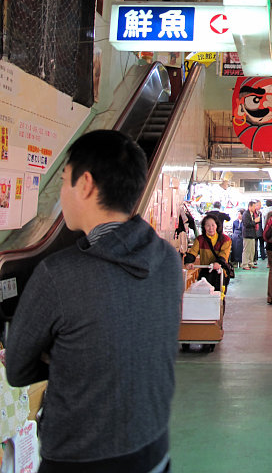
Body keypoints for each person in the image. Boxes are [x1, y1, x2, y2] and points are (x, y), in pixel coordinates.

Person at [5, 129, 182, 473]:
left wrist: (69, 354)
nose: (61, 192)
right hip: (154, 450)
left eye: (64, 179)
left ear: (85, 184)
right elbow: (142, 340)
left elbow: (17, 368)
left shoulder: (58, 275)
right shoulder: (168, 259)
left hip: (80, 458)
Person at [184, 214, 233, 292]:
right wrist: (189, 262)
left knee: (218, 297)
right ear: (204, 227)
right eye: (208, 226)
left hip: (219, 272)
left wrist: (217, 263)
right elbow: (193, 252)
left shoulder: (226, 240)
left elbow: (224, 254)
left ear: (217, 226)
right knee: (203, 295)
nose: (211, 228)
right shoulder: (200, 239)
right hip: (205, 272)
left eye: (213, 225)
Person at [241, 200, 259, 269]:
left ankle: (250, 263)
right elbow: (247, 224)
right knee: (247, 250)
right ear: (250, 206)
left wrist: (255, 221)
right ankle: (245, 264)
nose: (255, 208)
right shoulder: (246, 214)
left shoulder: (253, 214)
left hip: (252, 234)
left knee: (252, 250)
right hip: (247, 235)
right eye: (254, 206)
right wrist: (255, 221)